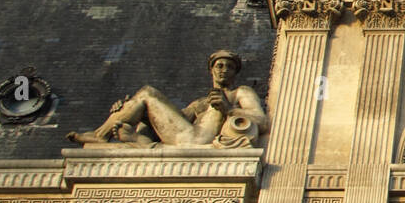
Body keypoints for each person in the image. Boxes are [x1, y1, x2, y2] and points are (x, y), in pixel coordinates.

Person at [67, 49, 268, 149]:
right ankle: (117, 131)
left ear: (236, 72)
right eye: (220, 66)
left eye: (230, 67)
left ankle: (104, 136)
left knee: (147, 93)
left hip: (196, 140)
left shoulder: (239, 93)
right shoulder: (200, 103)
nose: (224, 70)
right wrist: (130, 110)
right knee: (142, 99)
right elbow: (171, 121)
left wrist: (229, 110)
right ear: (211, 70)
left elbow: (262, 120)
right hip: (186, 136)